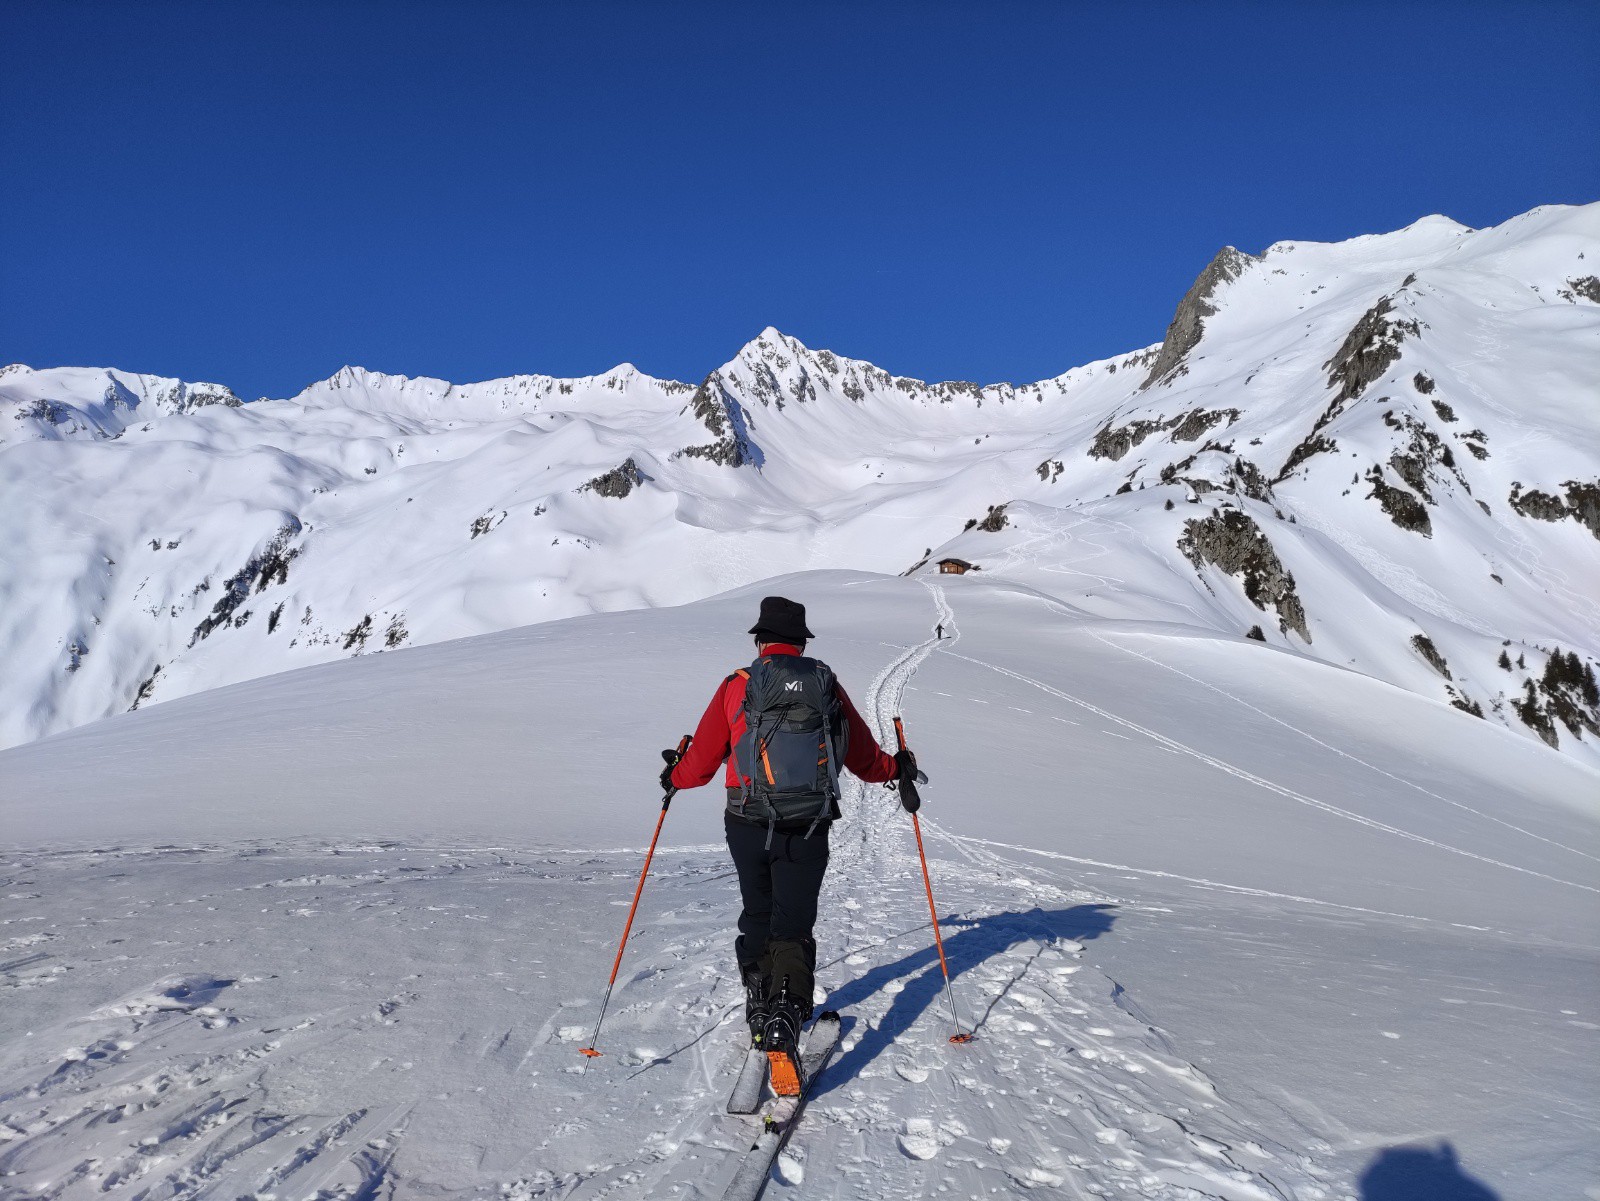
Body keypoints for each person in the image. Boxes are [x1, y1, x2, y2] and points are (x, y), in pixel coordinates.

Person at [660, 595, 919, 1088]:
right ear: (801, 643)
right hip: (808, 823)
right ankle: (785, 1014)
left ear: (759, 641)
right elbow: (863, 758)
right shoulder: (825, 684)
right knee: (793, 921)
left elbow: (701, 764)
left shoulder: (737, 686)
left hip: (746, 820)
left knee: (758, 910)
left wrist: (675, 774)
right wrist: (896, 767)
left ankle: (760, 1002)